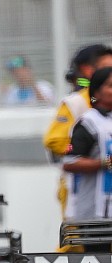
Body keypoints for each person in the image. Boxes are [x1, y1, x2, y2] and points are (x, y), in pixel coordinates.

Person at [43, 44, 112, 219]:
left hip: (106, 192)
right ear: (89, 70)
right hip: (81, 188)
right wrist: (89, 152)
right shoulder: (76, 102)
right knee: (80, 233)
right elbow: (56, 142)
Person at [63, 67, 112, 220]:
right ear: (97, 92)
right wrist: (106, 163)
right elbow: (69, 161)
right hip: (95, 213)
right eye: (110, 86)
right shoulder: (88, 122)